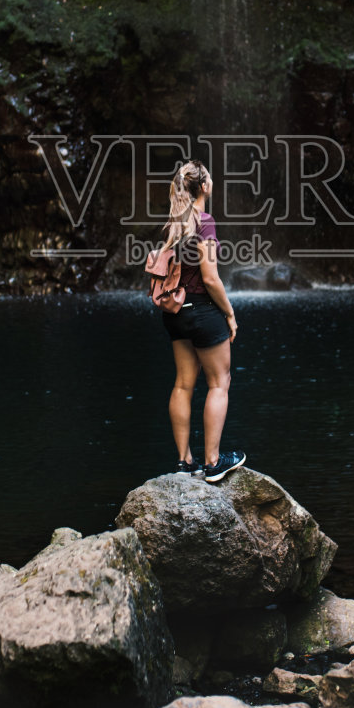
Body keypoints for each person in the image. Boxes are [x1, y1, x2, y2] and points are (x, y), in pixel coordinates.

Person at [158, 160, 245, 483]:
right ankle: (212, 463)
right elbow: (210, 278)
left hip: (175, 313)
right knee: (219, 382)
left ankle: (184, 462)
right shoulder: (204, 222)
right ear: (204, 187)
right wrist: (230, 313)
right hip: (203, 312)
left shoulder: (173, 224)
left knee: (183, 384)